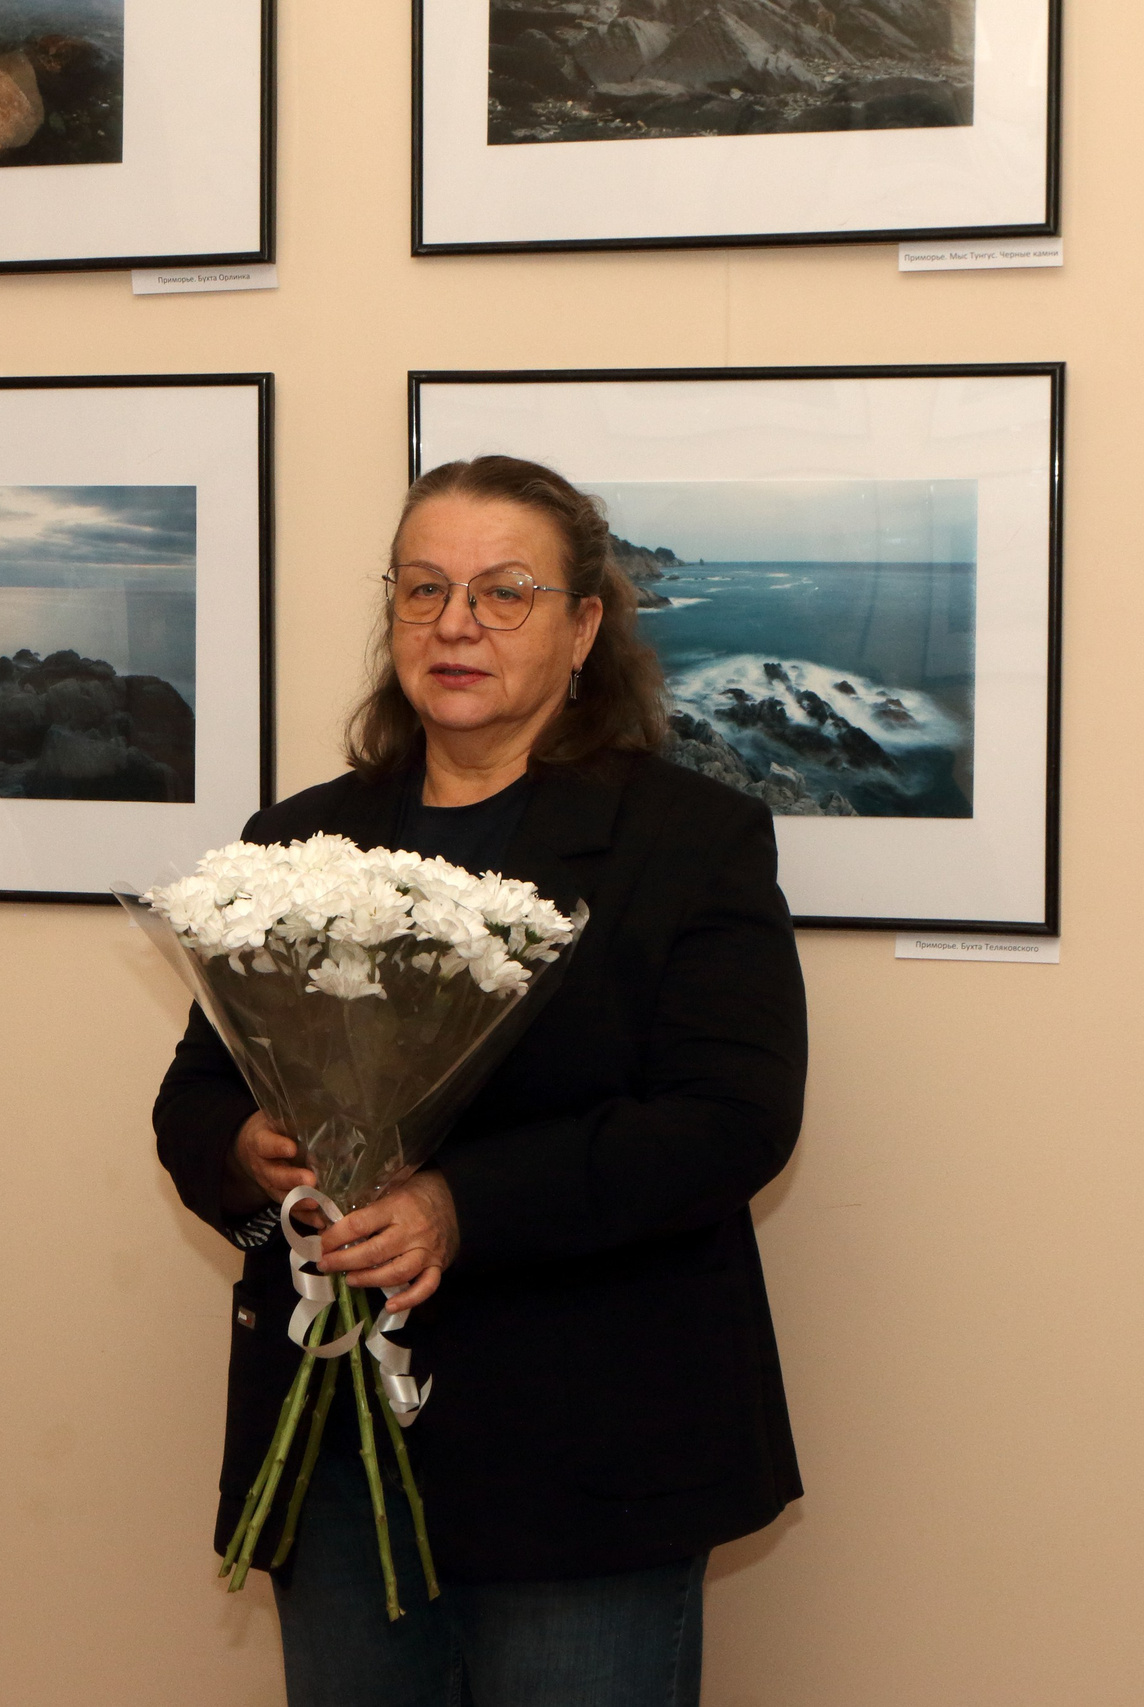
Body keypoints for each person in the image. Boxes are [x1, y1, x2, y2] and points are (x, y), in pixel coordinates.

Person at [153, 456, 807, 1707]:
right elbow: (194, 1091)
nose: (455, 623)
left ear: (583, 628)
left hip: (587, 1455)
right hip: (337, 1450)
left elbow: (731, 1121)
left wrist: (460, 1206)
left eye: (505, 592)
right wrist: (247, 1152)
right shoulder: (295, 840)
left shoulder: (688, 841)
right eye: (424, 589)